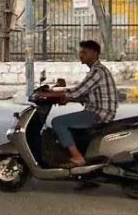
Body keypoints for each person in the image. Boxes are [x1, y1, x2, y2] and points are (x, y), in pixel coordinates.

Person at [45, 39, 118, 168]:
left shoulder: (97, 71)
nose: (81, 55)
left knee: (58, 122)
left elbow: (78, 91)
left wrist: (49, 94)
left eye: (84, 52)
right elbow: (85, 95)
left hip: (98, 114)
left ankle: (78, 157)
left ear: (94, 53)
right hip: (96, 111)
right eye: (80, 52)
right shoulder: (96, 70)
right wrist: (67, 99)